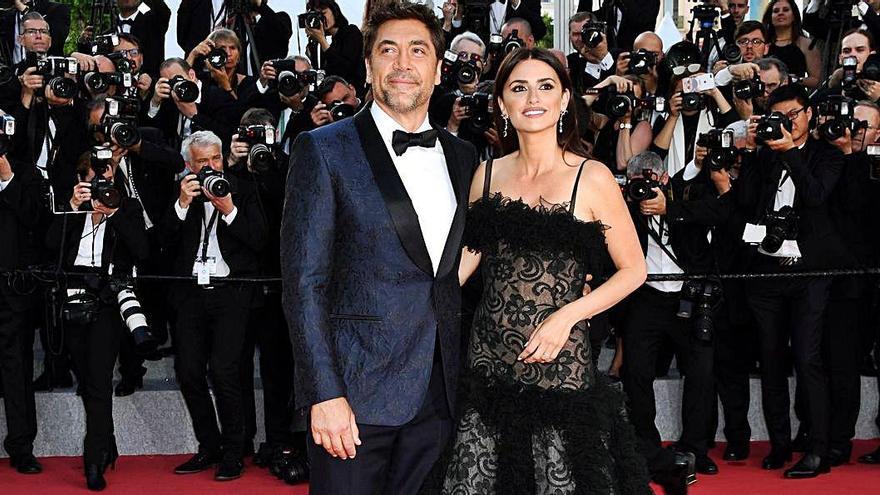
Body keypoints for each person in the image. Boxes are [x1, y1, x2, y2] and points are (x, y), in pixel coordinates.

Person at [441, 46, 660, 494]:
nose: (532, 98)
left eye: (546, 87)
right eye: (518, 88)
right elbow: (467, 260)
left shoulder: (592, 176)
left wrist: (568, 315)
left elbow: (634, 269)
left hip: (559, 363)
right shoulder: (485, 175)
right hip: (488, 360)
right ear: (502, 104)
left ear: (563, 100)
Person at [281, 3, 478, 493]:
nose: (403, 63)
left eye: (418, 51)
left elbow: (455, 268)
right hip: (353, 396)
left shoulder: (464, 156)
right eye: (388, 51)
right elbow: (303, 284)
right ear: (368, 67)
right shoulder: (324, 149)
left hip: (439, 395)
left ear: (437, 69)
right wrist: (322, 394)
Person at [734, 82, 851, 479]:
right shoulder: (764, 156)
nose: (784, 124)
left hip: (809, 275)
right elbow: (746, 201)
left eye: (792, 116)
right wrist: (752, 152)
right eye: (777, 118)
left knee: (808, 359)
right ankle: (780, 444)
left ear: (810, 116)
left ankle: (817, 448)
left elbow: (817, 196)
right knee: (769, 362)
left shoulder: (827, 156)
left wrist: (791, 154)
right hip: (765, 272)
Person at [163, 131, 267, 482]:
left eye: (216, 159)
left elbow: (260, 240)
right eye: (202, 162)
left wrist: (230, 211)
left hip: (231, 293)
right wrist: (181, 205)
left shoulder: (244, 188)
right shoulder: (181, 193)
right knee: (189, 371)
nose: (211, 168)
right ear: (188, 166)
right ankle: (210, 445)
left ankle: (235, 451)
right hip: (191, 294)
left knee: (224, 370)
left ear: (224, 158)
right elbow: (160, 246)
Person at [46, 150, 150, 491]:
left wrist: (115, 213)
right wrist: (73, 210)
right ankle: (107, 439)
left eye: (102, 181)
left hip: (107, 301)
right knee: (87, 377)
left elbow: (142, 252)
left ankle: (94, 461)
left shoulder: (128, 208)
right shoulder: (71, 209)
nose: (97, 188)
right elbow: (50, 249)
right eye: (90, 180)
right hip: (73, 299)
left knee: (99, 379)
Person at [0, 129, 44, 475]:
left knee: (16, 368)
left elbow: (37, 220)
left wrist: (7, 179)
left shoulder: (26, 173)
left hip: (13, 289)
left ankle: (21, 446)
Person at [304, 0, 366, 95]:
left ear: (334, 11)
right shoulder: (330, 45)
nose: (322, 19)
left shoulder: (351, 33)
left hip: (354, 95)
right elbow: (323, 74)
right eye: (317, 16)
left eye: (323, 13)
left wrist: (322, 40)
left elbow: (344, 69)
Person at [762, 0, 821, 89]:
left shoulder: (805, 44)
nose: (780, 13)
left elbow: (817, 80)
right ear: (770, 17)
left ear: (794, 16)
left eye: (785, 10)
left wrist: (795, 80)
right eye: (776, 11)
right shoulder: (763, 43)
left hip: (794, 97)